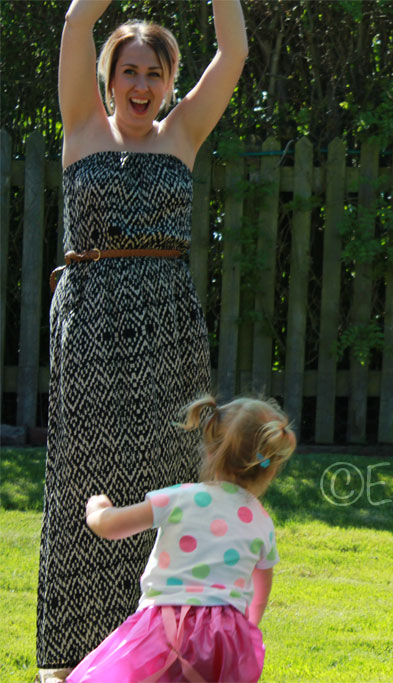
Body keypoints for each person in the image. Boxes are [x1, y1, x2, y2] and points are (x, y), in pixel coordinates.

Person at [37, 2, 248, 681]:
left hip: (167, 325)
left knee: (171, 474)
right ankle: (74, 655)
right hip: (91, 322)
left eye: (154, 73)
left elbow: (234, 53)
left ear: (169, 82)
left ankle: (166, 648)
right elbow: (76, 23)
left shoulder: (182, 132)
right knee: (86, 474)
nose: (141, 84)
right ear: (108, 78)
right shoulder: (82, 126)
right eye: (129, 71)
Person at [66, 395, 296, 683]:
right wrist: (243, 629)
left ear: (210, 450)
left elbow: (111, 527)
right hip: (225, 637)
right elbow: (260, 596)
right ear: (270, 468)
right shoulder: (261, 521)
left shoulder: (179, 498)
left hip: (165, 627)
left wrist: (97, 510)